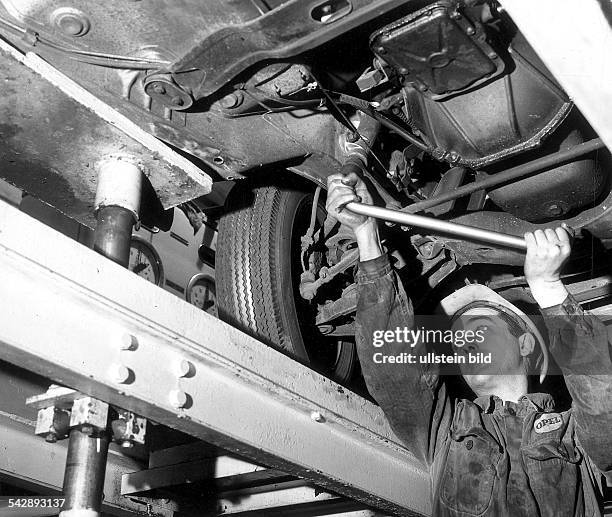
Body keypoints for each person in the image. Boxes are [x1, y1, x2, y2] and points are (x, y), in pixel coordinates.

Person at [326, 172, 612, 516]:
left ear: (524, 344)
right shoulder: (444, 429)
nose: (462, 342)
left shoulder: (575, 433)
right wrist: (366, 232)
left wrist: (549, 288)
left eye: (477, 328)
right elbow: (392, 369)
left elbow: (602, 397)